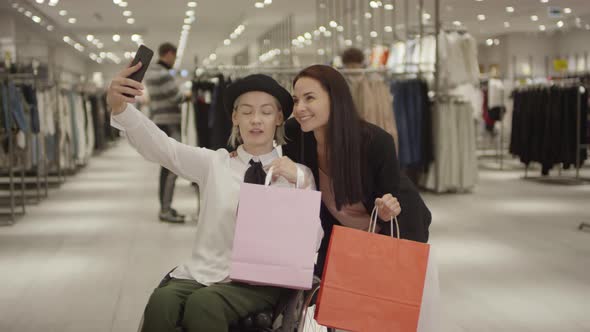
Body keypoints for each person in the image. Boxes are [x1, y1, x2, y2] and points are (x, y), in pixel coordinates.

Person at [107, 63, 320, 332]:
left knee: (203, 305)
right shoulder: (215, 163)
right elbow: (164, 148)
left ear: (278, 118)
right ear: (234, 117)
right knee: (161, 302)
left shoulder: (295, 173)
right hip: (206, 271)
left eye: (266, 112)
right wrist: (122, 110)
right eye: (247, 111)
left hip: (262, 281)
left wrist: (300, 181)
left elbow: (313, 240)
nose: (256, 120)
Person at [279, 64, 431, 275]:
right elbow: (260, 136)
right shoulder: (295, 134)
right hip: (341, 237)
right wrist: (232, 152)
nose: (299, 108)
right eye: (296, 100)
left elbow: (392, 202)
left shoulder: (375, 142)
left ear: (335, 99)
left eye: (309, 98)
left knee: (382, 302)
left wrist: (387, 211)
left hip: (392, 234)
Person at [145, 42, 191, 223]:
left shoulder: (153, 72)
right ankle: (165, 209)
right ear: (169, 54)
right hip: (169, 124)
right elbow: (176, 97)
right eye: (175, 56)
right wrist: (188, 95)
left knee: (167, 167)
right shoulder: (162, 74)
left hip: (161, 123)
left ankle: (166, 207)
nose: (175, 60)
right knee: (171, 167)